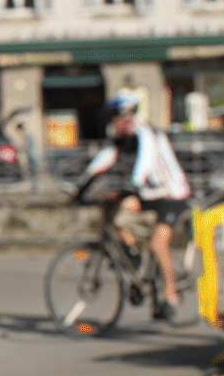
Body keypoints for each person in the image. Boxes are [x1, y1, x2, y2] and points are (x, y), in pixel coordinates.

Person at [76, 91, 192, 319]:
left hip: (171, 196)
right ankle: (136, 262)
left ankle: (170, 296)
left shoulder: (146, 133)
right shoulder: (121, 137)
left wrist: (132, 185)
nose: (114, 123)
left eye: (116, 118)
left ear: (127, 116)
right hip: (149, 196)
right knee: (118, 219)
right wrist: (81, 186)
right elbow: (104, 159)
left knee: (159, 244)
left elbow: (144, 163)